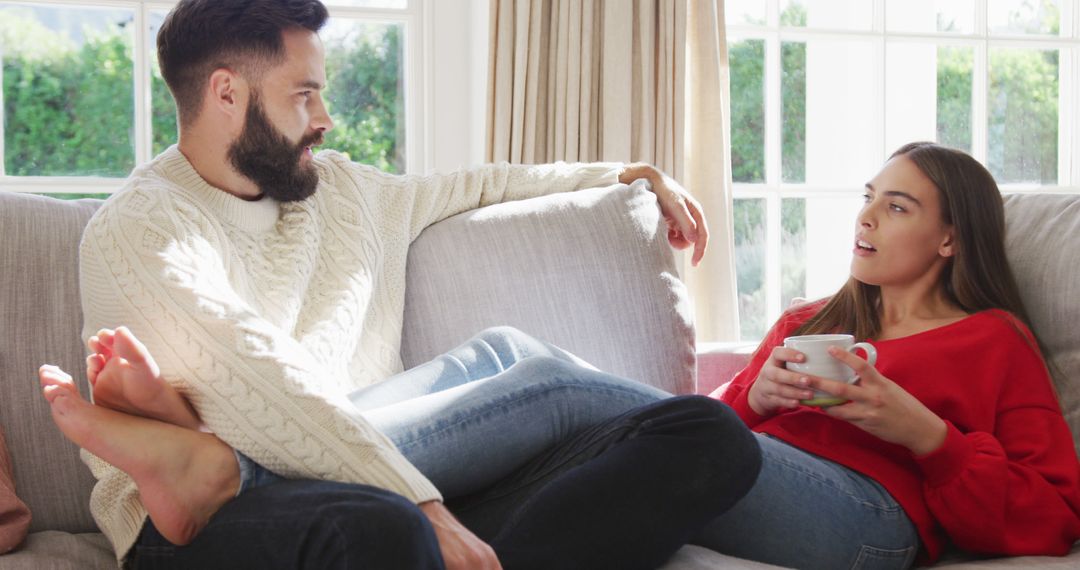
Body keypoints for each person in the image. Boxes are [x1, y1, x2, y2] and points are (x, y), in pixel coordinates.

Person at [37, 0, 763, 569]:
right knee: (380, 531)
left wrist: (622, 174)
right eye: (304, 95)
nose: (324, 119)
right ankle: (211, 474)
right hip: (200, 534)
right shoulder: (142, 227)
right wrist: (423, 506)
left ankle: (218, 465)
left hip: (383, 474)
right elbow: (260, 373)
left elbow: (478, 184)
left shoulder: (344, 191)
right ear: (227, 93)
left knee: (708, 435)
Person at [692, 142, 1080, 568]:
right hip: (756, 462)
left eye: (896, 207)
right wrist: (754, 400)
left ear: (949, 238)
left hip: (870, 509)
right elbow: (718, 425)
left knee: (656, 434)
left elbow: (1055, 514)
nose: (866, 217)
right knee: (631, 433)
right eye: (868, 197)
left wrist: (928, 436)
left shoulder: (995, 339)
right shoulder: (805, 322)